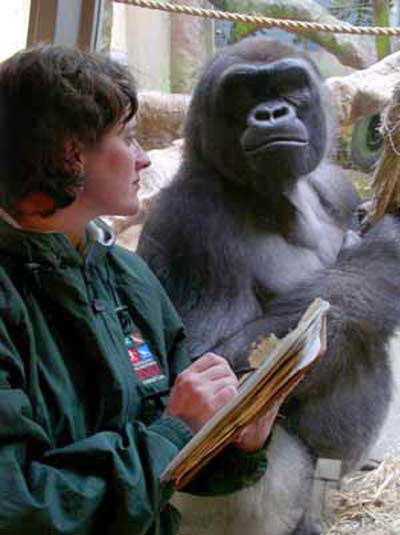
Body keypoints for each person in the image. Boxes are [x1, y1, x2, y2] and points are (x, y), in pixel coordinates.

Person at [0, 45, 280, 535]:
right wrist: (173, 432)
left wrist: (232, 441)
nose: (145, 159)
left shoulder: (127, 275)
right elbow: (19, 507)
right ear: (70, 153)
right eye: (127, 138)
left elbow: (169, 463)